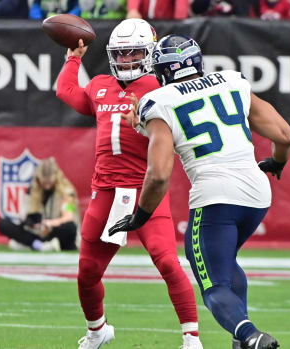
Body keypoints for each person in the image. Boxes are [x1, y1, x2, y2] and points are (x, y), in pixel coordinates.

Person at [109, 34, 290, 349]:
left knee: (212, 285)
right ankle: (242, 341)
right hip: (257, 193)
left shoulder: (158, 101)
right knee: (227, 263)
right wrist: (277, 163)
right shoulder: (231, 80)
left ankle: (250, 337)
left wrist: (140, 216)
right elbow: (285, 135)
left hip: (214, 195)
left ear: (162, 70)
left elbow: (157, 175)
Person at [55, 19, 202, 349]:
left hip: (144, 190)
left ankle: (192, 338)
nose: (126, 60)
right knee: (87, 271)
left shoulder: (160, 89)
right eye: (120, 53)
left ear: (149, 53)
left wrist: (144, 126)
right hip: (106, 191)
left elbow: (179, 135)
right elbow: (66, 92)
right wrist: (73, 58)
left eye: (134, 52)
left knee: (166, 261)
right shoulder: (100, 85)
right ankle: (97, 331)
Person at [0, 157, 79, 252]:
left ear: (56, 177)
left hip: (57, 231)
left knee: (70, 227)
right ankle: (39, 245)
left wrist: (50, 223)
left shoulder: (68, 192)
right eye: (44, 183)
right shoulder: (32, 191)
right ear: (38, 179)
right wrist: (31, 223)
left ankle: (32, 245)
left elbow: (69, 217)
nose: (47, 187)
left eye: (50, 183)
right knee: (2, 224)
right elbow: (25, 216)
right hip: (39, 233)